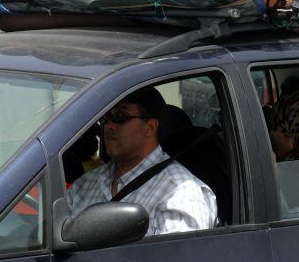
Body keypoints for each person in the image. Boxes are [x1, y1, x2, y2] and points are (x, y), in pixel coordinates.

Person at [68, 87, 217, 235]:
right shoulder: (85, 184)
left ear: (150, 128)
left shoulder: (180, 195)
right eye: (106, 117)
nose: (109, 125)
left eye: (120, 116)